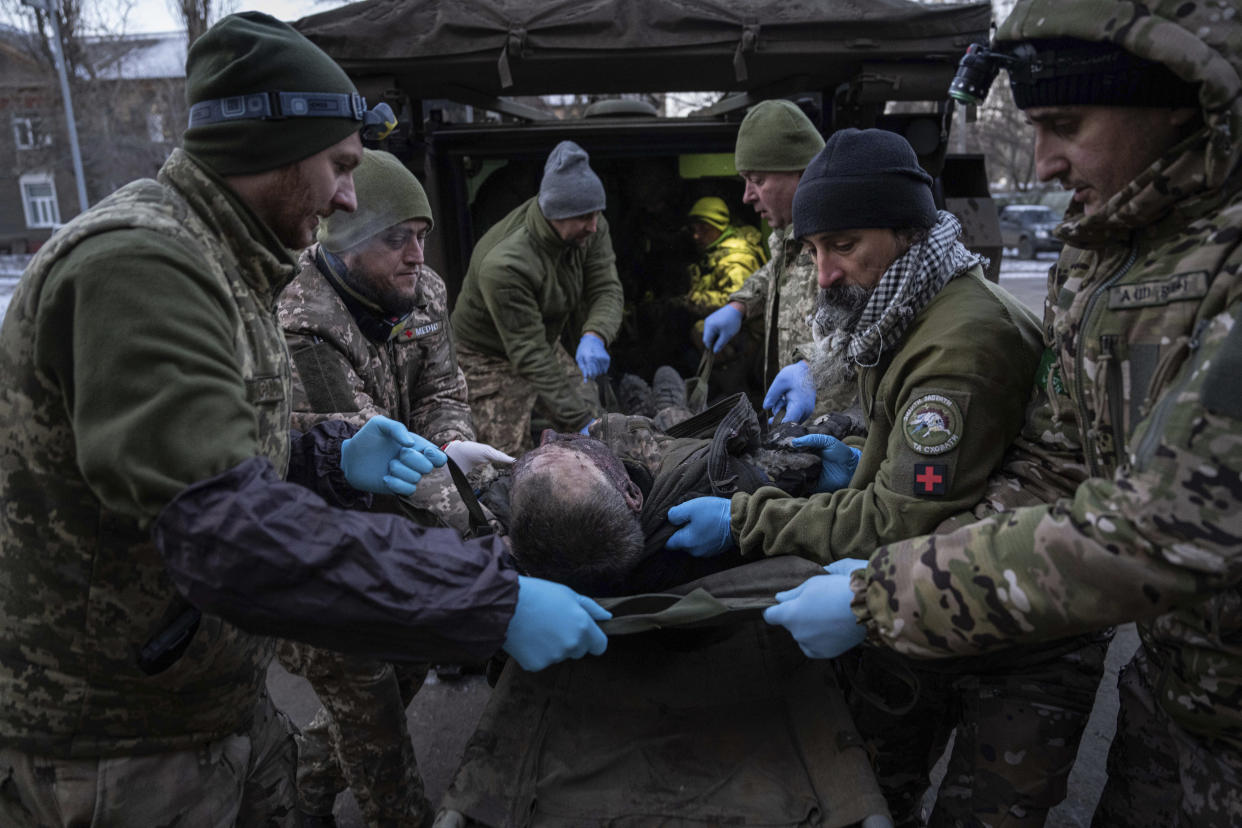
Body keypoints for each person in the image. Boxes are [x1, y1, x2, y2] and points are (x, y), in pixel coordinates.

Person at [0, 14, 608, 826]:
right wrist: (486, 601)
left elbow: (185, 456)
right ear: (274, 149)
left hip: (204, 701)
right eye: (340, 166)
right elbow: (226, 534)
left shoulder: (219, 258)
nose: (347, 196)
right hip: (118, 743)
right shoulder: (142, 268)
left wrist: (323, 452)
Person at [763, 0, 1242, 824]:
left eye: (1065, 122)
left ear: (1182, 98)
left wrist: (880, 592)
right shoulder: (1100, 258)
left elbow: (1159, 531)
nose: (1045, 163)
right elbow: (1056, 464)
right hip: (1171, 692)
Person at [666, 128, 1112, 826]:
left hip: (1024, 635)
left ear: (908, 234)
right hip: (936, 590)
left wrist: (745, 518)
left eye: (844, 246)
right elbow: (907, 471)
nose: (823, 274)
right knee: (870, 785)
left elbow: (899, 521)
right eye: (813, 250)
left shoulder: (960, 342)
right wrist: (861, 459)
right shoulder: (907, 306)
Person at [276, 148, 512, 827]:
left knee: (406, 661)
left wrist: (450, 447)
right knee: (369, 693)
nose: (416, 255)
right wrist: (489, 539)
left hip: (398, 514)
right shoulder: (302, 323)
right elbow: (356, 442)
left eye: (422, 234)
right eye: (395, 238)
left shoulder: (422, 290)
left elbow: (442, 386)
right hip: (313, 535)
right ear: (346, 247)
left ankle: (301, 785)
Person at [451, 140, 624, 455]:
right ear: (555, 212)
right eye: (585, 216)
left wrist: (595, 333)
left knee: (594, 423)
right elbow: (529, 354)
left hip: (541, 339)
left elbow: (606, 287)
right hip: (486, 357)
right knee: (505, 458)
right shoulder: (505, 265)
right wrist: (578, 419)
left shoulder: (591, 228)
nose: (594, 225)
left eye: (597, 214)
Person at [699, 99, 824, 420]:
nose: (747, 195)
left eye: (757, 180)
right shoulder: (789, 236)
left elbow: (866, 329)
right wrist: (740, 305)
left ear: (801, 172)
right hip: (796, 421)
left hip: (833, 422)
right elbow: (776, 272)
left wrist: (811, 367)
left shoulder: (837, 242)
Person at [683, 196, 767, 317]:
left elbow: (738, 302)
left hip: (744, 329)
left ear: (719, 227)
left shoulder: (736, 259)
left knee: (700, 330)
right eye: (693, 229)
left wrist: (692, 300)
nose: (696, 236)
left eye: (704, 229)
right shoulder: (714, 252)